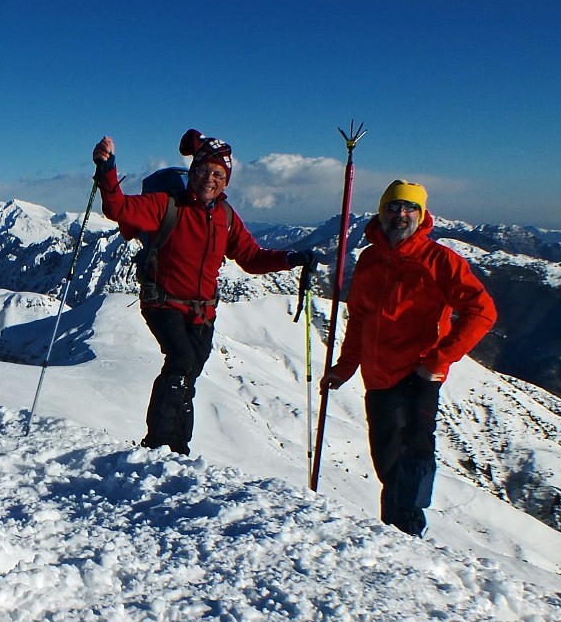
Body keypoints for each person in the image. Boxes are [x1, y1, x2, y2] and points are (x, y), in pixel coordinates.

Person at [93, 129, 313, 455]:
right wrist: (107, 168)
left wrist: (289, 258)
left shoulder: (225, 217)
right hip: (163, 303)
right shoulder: (167, 205)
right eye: (203, 171)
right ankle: (157, 445)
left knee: (189, 374)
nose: (209, 179)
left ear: (226, 181)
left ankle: (178, 447)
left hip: (203, 313)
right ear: (192, 172)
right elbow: (119, 208)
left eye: (218, 174)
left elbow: (251, 257)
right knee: (180, 362)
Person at [323, 180, 497, 537]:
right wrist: (344, 369)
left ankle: (409, 531)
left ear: (421, 215)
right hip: (378, 378)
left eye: (409, 208)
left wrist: (438, 360)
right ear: (381, 211)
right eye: (393, 207)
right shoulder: (369, 259)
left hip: (416, 377)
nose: (400, 214)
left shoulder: (440, 261)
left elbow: (482, 312)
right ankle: (394, 533)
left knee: (414, 458)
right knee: (388, 464)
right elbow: (359, 319)